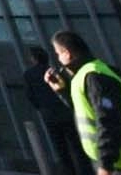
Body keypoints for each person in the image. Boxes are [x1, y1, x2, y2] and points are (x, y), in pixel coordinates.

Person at [43, 30, 121, 174]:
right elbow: (88, 113)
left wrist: (105, 164)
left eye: (58, 54)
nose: (58, 59)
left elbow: (108, 120)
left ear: (67, 53)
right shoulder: (86, 76)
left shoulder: (95, 76)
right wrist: (62, 91)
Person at [30, 47, 91, 175]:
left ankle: (69, 172)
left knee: (60, 149)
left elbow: (31, 96)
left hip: (49, 115)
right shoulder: (56, 71)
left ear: (33, 59)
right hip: (65, 112)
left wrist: (41, 107)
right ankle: (85, 171)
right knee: (77, 146)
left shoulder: (29, 75)